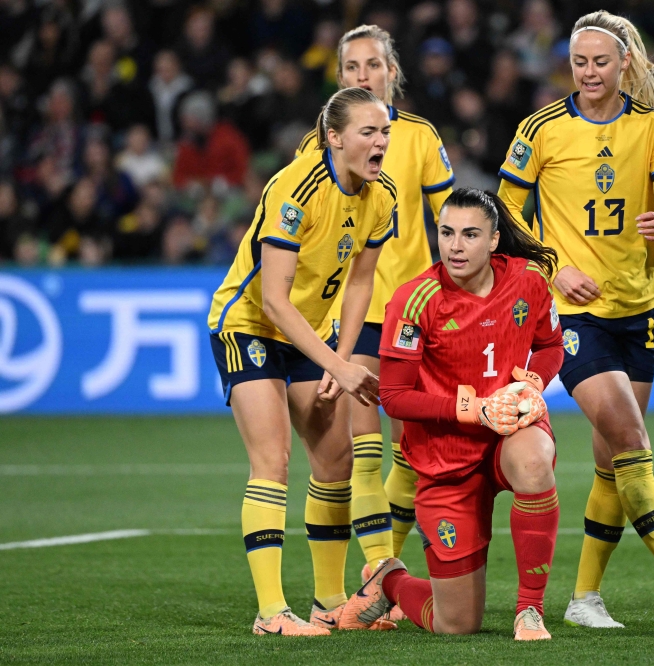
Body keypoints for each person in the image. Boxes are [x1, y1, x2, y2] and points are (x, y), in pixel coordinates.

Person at [496, 10, 654, 628]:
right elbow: (508, 209)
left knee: (610, 461)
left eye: (600, 61)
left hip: (638, 309)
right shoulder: (541, 128)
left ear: (624, 64)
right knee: (632, 440)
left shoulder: (652, 126)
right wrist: (552, 266)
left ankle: (583, 599)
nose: (589, 72)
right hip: (573, 313)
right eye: (579, 62)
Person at [206, 86, 395, 636]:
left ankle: (330, 602)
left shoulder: (381, 198)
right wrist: (337, 367)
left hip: (311, 334)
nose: (380, 141)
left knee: (335, 462)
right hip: (248, 326)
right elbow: (272, 300)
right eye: (368, 131)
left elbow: (361, 283)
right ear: (334, 137)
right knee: (274, 460)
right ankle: (270, 613)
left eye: (383, 131)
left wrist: (340, 353)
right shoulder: (296, 188)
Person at [336, 188, 563, 640]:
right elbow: (395, 397)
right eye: (447, 233)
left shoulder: (529, 281)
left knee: (535, 461)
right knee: (456, 625)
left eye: (470, 234)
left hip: (509, 435)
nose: (455, 246)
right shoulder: (413, 301)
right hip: (445, 458)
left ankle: (529, 611)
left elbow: (552, 345)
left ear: (495, 240)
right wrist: (475, 409)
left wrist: (532, 384)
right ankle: (389, 579)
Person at [294, 25, 454, 595]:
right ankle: (380, 572)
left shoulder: (419, 136)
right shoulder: (324, 145)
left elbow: (448, 218)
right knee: (363, 450)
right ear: (340, 79)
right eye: (353, 68)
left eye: (374, 65)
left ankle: (381, 571)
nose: (364, 75)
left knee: (411, 452)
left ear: (393, 72)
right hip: (353, 312)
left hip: (413, 310)